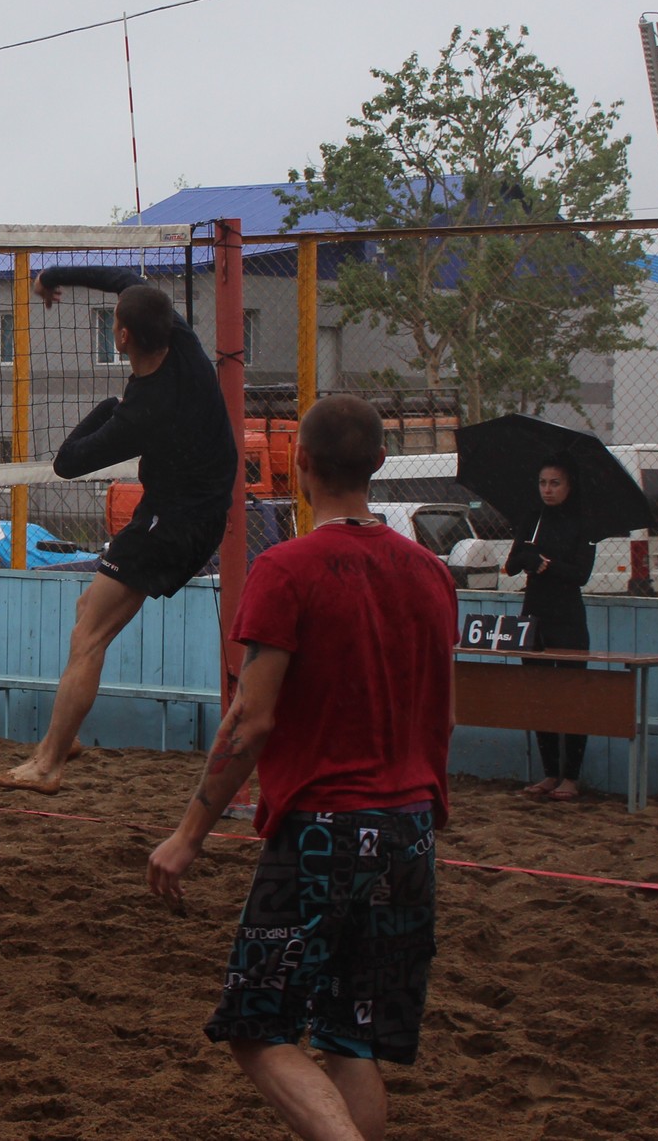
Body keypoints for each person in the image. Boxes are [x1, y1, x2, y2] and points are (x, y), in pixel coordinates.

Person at [147, 396, 459, 1141]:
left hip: (324, 828)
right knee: (351, 1038)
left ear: (301, 464)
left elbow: (250, 719)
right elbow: (445, 715)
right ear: (379, 464)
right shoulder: (430, 573)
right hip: (411, 830)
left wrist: (188, 835)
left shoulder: (285, 568)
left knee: (256, 1027)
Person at [0, 266, 237, 794]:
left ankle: (48, 763)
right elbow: (124, 280)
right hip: (192, 504)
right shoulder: (183, 343)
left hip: (175, 524)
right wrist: (54, 275)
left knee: (89, 635)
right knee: (87, 614)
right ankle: (66, 734)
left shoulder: (142, 412)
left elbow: (67, 462)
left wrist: (107, 408)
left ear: (121, 337)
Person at [506, 455, 599, 802]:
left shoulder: (583, 523)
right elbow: (512, 565)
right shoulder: (533, 519)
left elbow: (581, 575)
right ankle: (549, 772)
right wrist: (528, 558)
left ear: (569, 486)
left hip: (568, 618)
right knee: (539, 693)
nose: (547, 489)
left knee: (571, 694)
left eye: (555, 483)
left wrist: (547, 564)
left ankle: (571, 776)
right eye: (543, 483)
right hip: (534, 614)